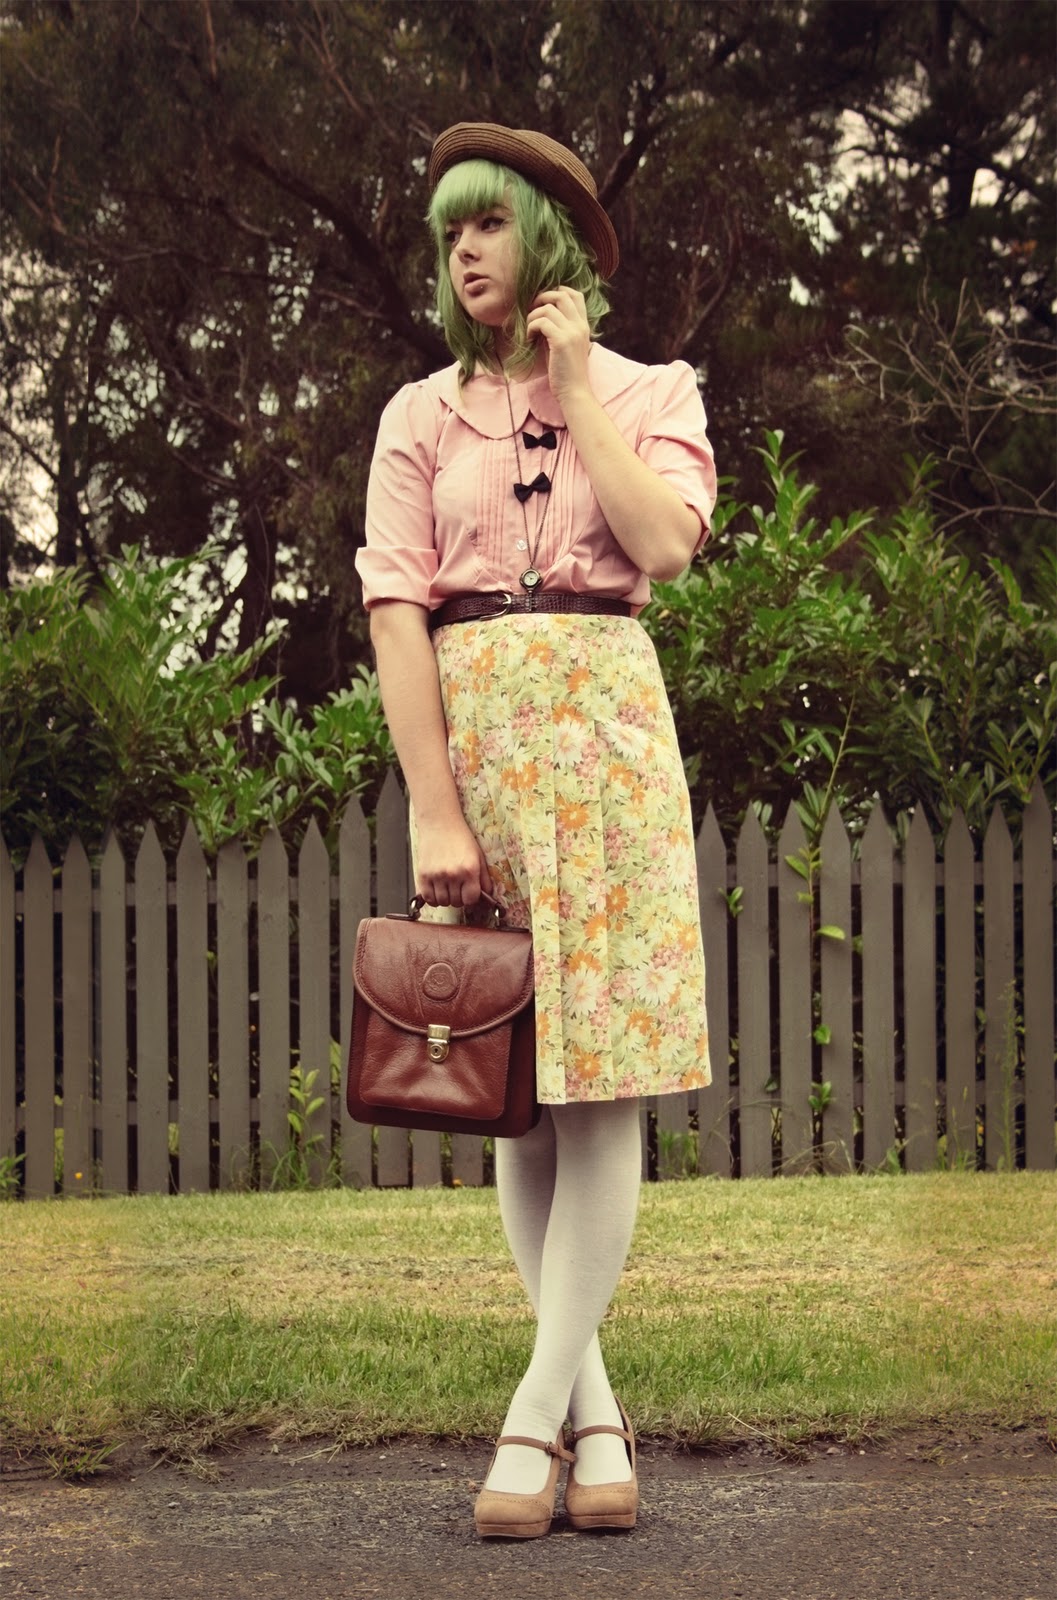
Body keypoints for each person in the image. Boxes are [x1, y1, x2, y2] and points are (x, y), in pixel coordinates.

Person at [357, 121, 716, 1539]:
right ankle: (595, 1416)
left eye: (489, 223)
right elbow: (396, 609)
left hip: (608, 740)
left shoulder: (652, 390)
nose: (463, 250)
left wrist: (576, 390)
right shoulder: (416, 415)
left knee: (599, 1082)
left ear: (549, 239)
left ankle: (532, 1418)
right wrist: (433, 805)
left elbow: (665, 546)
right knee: (513, 1079)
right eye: (450, 230)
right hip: (484, 749)